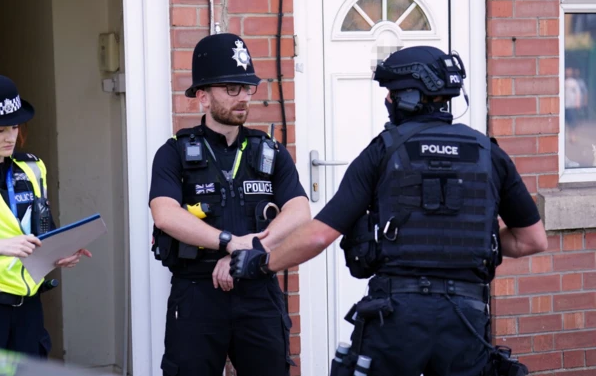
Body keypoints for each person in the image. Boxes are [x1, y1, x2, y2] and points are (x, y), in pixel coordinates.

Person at [230, 46, 548, 376]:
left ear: (410, 97)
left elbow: (321, 233)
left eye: (392, 94)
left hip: (396, 317)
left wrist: (264, 262)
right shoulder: (489, 154)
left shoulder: (384, 150)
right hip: (466, 320)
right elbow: (532, 240)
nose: (388, 101)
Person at [149, 32, 310, 376]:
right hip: (197, 293)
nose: (243, 98)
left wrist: (250, 248)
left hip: (258, 289)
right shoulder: (173, 152)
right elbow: (164, 214)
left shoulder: (269, 151)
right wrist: (228, 243)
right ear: (203, 98)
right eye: (231, 89)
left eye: (247, 87)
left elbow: (299, 212)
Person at [0, 74, 91, 357]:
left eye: (14, 126)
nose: (10, 137)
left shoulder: (32, 168)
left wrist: (60, 252)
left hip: (27, 310)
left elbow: (42, 232)